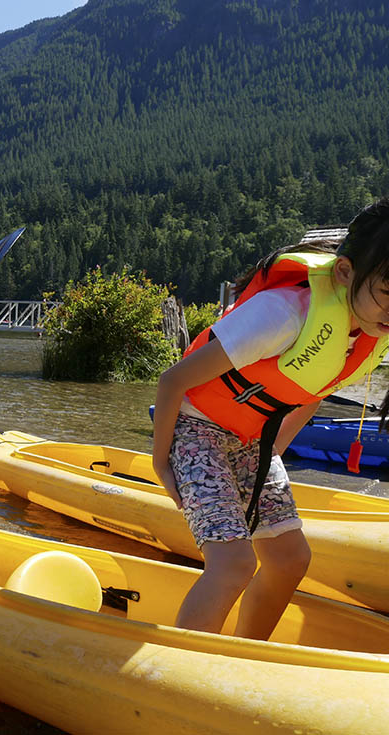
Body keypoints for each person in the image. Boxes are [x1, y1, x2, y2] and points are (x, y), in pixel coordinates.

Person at [152, 196, 389, 640]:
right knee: (234, 565)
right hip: (195, 428)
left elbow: (311, 392)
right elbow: (173, 381)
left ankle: (248, 654)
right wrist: (160, 462)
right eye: (388, 292)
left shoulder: (366, 332)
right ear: (344, 272)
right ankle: (185, 671)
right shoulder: (283, 313)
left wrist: (270, 456)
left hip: (251, 439)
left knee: (290, 559)